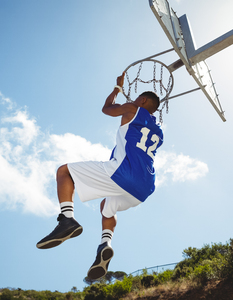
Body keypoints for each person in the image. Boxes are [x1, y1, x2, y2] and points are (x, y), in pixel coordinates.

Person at [36, 72, 164, 280]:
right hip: (145, 188)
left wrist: (117, 89)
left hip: (124, 173)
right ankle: (105, 243)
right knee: (107, 206)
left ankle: (67, 220)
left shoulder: (133, 109)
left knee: (64, 171)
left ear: (142, 100)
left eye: (137, 98)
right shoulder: (159, 132)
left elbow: (107, 109)